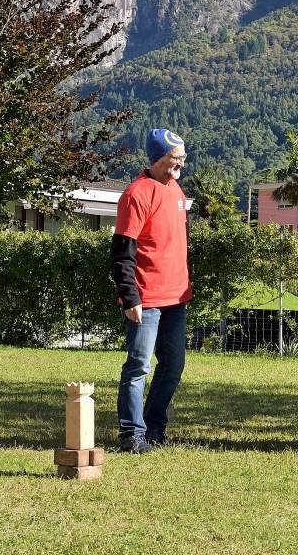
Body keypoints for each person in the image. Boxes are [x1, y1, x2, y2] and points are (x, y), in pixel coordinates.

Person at [111, 129, 192, 454]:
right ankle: (131, 435)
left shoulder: (176, 190)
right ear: (158, 158)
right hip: (146, 299)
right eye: (175, 159)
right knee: (138, 366)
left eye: (183, 158)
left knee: (173, 366)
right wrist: (130, 297)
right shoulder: (136, 194)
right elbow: (122, 253)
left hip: (176, 298)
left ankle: (154, 428)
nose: (181, 164)